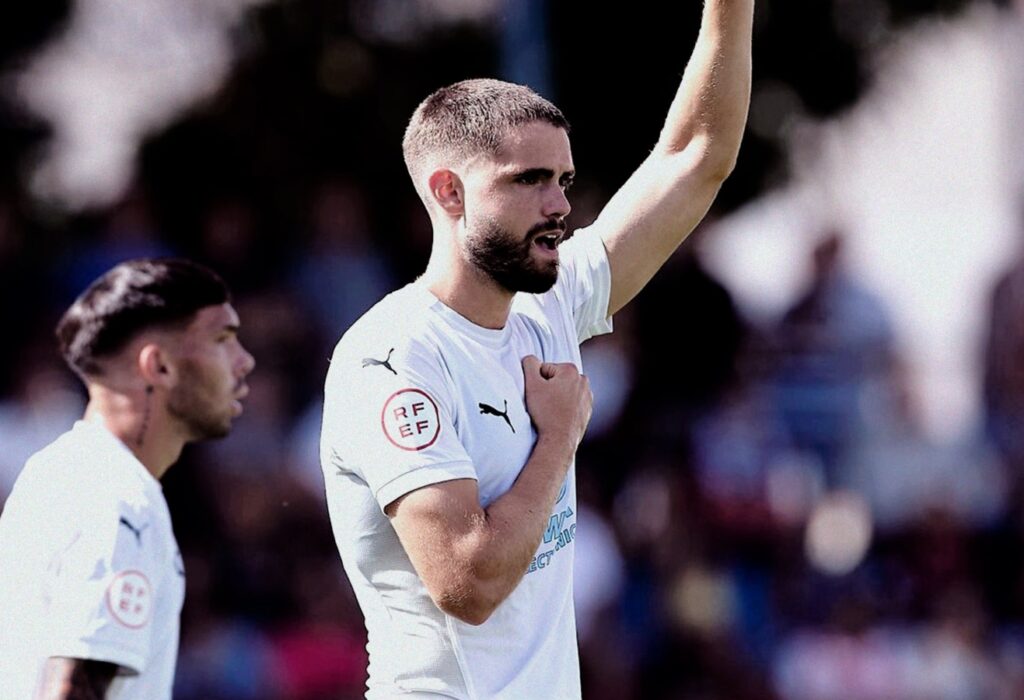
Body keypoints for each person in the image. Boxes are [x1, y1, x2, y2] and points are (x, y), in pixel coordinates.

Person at [320, 1, 753, 696]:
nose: (559, 205)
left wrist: (728, 9)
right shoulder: (395, 357)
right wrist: (559, 437)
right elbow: (468, 581)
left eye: (563, 180)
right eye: (529, 180)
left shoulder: (548, 303)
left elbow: (699, 156)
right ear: (449, 192)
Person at [0, 259, 255, 700]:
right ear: (158, 366)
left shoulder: (60, 470)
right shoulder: (119, 503)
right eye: (222, 339)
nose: (244, 361)